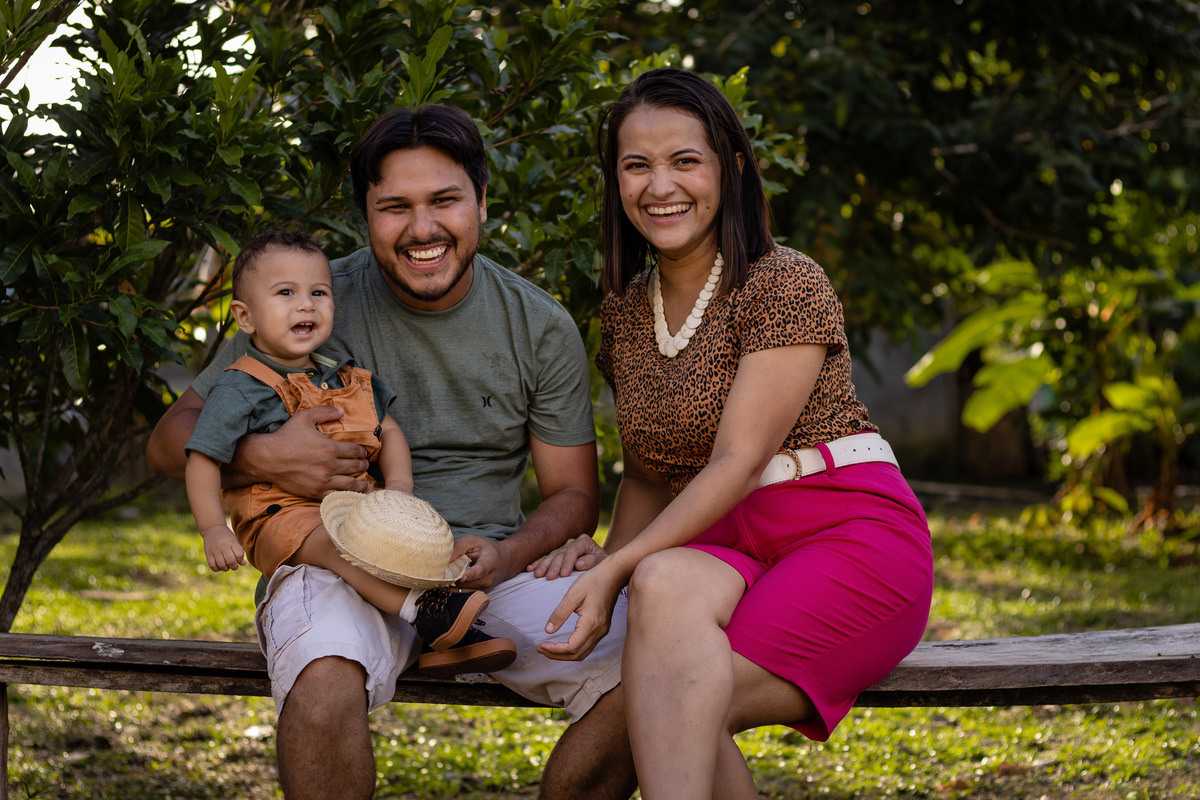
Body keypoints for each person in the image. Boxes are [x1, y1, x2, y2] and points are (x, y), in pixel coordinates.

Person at [146, 105, 636, 800]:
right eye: (395, 207)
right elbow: (167, 441)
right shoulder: (311, 301)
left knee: (653, 664)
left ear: (482, 202)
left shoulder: (538, 324)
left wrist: (509, 554)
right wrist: (264, 457)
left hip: (488, 568)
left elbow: (574, 495)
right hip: (340, 558)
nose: (422, 228)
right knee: (322, 677)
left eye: (444, 201)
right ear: (365, 216)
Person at [530, 67, 935, 799]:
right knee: (659, 596)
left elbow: (739, 461)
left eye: (685, 160)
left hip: (842, 529)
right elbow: (648, 473)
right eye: (636, 165)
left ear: (733, 169)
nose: (660, 186)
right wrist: (614, 557)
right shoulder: (623, 312)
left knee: (654, 723)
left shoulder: (784, 282)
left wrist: (613, 571)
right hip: (722, 547)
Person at [183, 229, 515, 678]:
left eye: (319, 293)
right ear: (245, 317)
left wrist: (399, 489)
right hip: (278, 517)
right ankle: (426, 611)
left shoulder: (344, 375)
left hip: (350, 504)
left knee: (395, 547)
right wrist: (212, 530)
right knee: (339, 546)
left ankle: (450, 637)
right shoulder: (240, 386)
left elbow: (388, 430)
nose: (306, 305)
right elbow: (203, 458)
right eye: (286, 293)